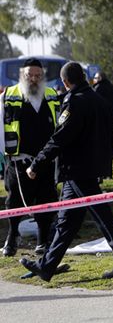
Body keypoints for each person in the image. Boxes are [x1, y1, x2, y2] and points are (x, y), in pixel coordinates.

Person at [20, 62, 113, 281]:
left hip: (77, 170)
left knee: (103, 218)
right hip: (88, 169)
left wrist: (36, 164)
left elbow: (60, 138)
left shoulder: (74, 102)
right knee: (67, 221)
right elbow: (112, 137)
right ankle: (47, 266)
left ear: (65, 82)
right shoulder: (99, 100)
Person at [0, 58, 59, 257]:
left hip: (45, 160)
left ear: (43, 76)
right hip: (18, 161)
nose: (33, 79)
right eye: (29, 76)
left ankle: (42, 241)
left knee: (46, 199)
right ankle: (12, 238)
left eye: (37, 76)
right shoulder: (8, 95)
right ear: (22, 76)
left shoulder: (52, 95)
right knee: (14, 201)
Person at [92, 71, 113, 179]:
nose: (94, 80)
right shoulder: (112, 87)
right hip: (111, 122)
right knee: (109, 149)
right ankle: (109, 173)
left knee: (99, 149)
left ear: (100, 78)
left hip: (100, 123)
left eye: (95, 78)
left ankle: (100, 175)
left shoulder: (97, 89)